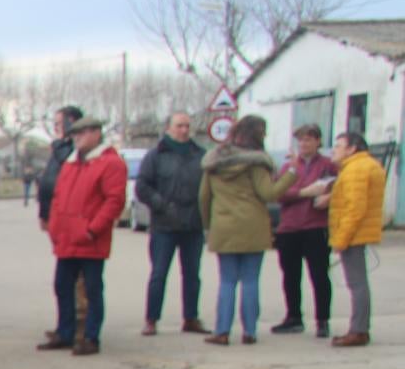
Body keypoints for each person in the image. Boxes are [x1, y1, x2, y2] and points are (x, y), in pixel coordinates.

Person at [198, 115, 295, 347]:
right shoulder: (257, 162)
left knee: (227, 281)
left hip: (223, 227)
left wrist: (208, 225)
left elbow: (203, 197)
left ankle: (222, 331)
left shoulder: (214, 162)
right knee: (251, 280)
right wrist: (292, 173)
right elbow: (269, 193)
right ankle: (249, 332)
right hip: (253, 227)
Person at [38, 116, 126, 356]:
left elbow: (114, 201)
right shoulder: (71, 162)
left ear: (96, 133)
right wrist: (55, 227)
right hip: (67, 237)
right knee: (62, 286)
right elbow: (58, 198)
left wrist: (93, 228)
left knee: (92, 289)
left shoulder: (110, 163)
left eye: (82, 133)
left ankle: (90, 337)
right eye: (74, 134)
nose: (76, 138)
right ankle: (65, 332)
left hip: (89, 238)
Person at [135, 111, 209, 335]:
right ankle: (151, 319)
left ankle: (191, 318)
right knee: (159, 274)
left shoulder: (200, 155)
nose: (184, 130)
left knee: (192, 275)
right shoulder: (155, 155)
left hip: (192, 225)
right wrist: (161, 205)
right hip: (164, 226)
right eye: (179, 126)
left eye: (187, 126)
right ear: (169, 127)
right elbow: (142, 187)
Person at [271, 123, 336, 337]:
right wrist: (303, 192)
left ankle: (322, 320)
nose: (303, 144)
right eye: (300, 140)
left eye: (308, 139)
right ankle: (293, 317)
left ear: (318, 141)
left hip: (315, 227)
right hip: (289, 227)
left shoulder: (328, 165)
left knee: (319, 275)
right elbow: (278, 194)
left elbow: (338, 187)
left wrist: (328, 196)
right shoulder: (289, 166)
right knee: (290, 275)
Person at [326, 129, 386, 348]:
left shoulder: (356, 170)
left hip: (354, 234)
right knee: (359, 283)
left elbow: (355, 209)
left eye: (338, 146)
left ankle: (358, 330)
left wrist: (340, 239)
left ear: (352, 148)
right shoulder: (364, 165)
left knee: (357, 284)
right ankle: (360, 328)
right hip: (359, 232)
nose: (334, 150)